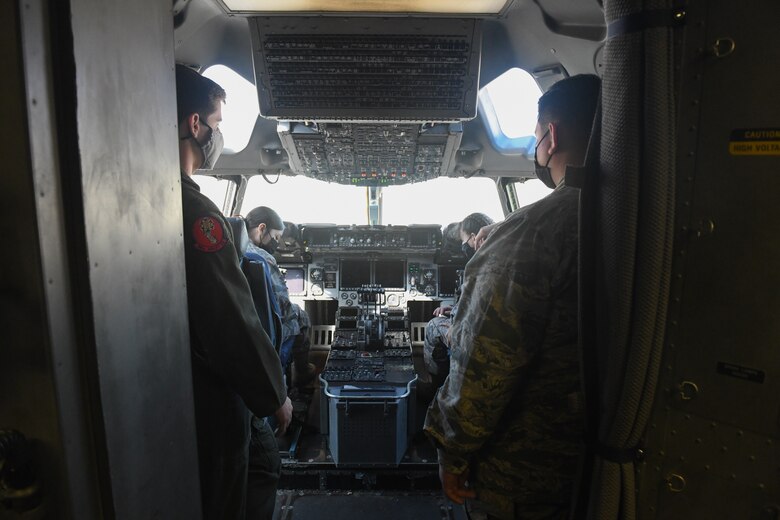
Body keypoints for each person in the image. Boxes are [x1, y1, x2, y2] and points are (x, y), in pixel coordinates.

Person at [424, 74, 600, 520]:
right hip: (604, 466)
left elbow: (483, 365)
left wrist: (452, 451)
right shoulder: (650, 215)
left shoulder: (530, 233)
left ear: (551, 136)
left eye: (538, 136)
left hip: (524, 477)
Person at [176, 64, 291, 520]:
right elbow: (231, 319)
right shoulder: (198, 212)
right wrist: (275, 395)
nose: (217, 136)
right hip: (210, 401)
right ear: (195, 124)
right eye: (218, 124)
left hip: (178, 392)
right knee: (258, 466)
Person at [244, 206, 316, 386]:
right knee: (302, 316)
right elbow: (282, 305)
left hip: (244, 326)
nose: (276, 243)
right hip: (268, 331)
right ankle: (302, 373)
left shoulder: (232, 250)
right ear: (262, 228)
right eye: (275, 237)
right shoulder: (264, 258)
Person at [424, 213, 494, 384]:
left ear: (473, 238)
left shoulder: (478, 266)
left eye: (463, 240)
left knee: (433, 325)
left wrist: (455, 322)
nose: (464, 245)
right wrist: (454, 309)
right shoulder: (499, 258)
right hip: (490, 331)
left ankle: (436, 382)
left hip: (474, 335)